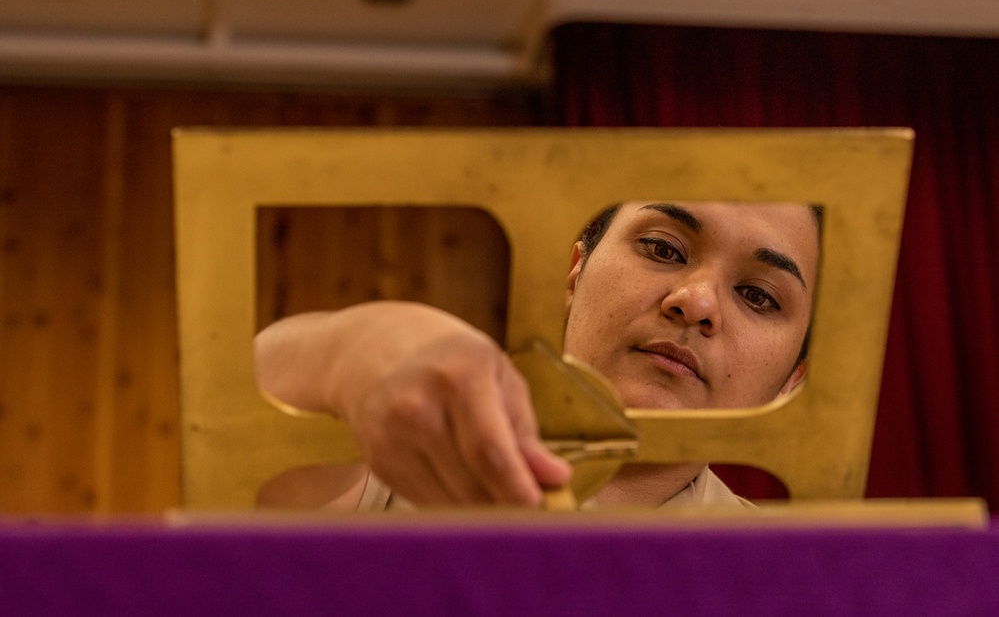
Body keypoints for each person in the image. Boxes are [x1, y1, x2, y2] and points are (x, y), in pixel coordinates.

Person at [253, 201, 820, 510]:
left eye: (758, 296)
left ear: (793, 379)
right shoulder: (397, 471)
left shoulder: (788, 579)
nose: (695, 301)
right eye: (661, 248)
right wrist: (356, 347)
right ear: (576, 271)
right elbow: (248, 399)